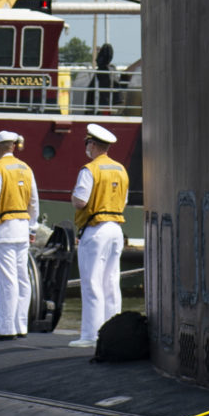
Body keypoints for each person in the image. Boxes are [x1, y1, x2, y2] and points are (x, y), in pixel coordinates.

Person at [69, 124, 129, 349]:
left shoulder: (90, 169)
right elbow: (123, 201)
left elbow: (81, 201)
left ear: (92, 145)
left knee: (92, 282)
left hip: (95, 229)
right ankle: (112, 332)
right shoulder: (121, 170)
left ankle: (90, 334)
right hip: (116, 229)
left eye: (87, 143)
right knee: (112, 282)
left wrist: (74, 199)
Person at [0, 129, 39, 339]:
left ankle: (5, 328)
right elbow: (34, 203)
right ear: (13, 146)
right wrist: (33, 228)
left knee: (7, 281)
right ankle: (21, 325)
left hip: (3, 230)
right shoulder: (27, 169)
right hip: (22, 229)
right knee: (23, 279)